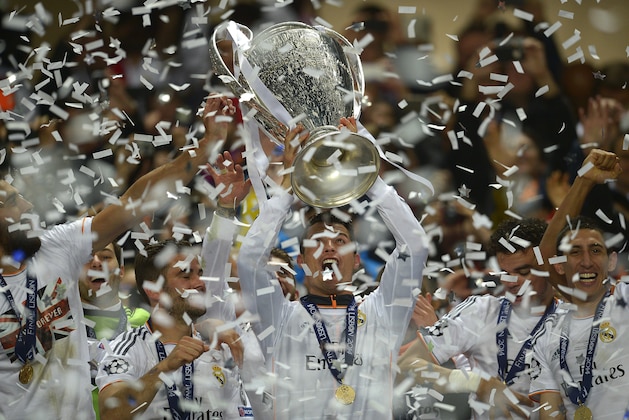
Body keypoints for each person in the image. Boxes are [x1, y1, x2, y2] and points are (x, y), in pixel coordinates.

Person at [0, 94, 235, 419]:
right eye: (12, 202)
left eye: (23, 198)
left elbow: (134, 203)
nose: (27, 207)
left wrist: (208, 144)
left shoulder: (57, 246)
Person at [236, 118, 428, 418]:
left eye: (340, 240)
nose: (328, 247)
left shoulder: (384, 313)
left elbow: (415, 245)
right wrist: (288, 188)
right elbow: (249, 260)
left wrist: (369, 178)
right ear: (301, 262)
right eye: (317, 242)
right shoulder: (278, 317)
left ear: (356, 259)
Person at [397, 216, 556, 419]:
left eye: (523, 271)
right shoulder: (479, 311)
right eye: (504, 273)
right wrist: (477, 383)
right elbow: (406, 365)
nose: (512, 282)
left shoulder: (572, 317)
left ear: (549, 263)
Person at [96, 238, 250, 419]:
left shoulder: (220, 348)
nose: (199, 283)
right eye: (185, 276)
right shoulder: (125, 349)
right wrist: (164, 368)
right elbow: (110, 414)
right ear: (153, 290)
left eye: (200, 274)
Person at [529, 149, 625, 419]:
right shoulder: (546, 337)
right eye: (575, 252)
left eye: (596, 250)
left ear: (611, 261)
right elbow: (550, 411)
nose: (586, 261)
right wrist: (583, 180)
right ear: (560, 265)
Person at [80, 241, 150, 420]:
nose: (96, 262)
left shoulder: (146, 322)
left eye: (105, 257)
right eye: (87, 257)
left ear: (121, 270)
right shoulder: (55, 326)